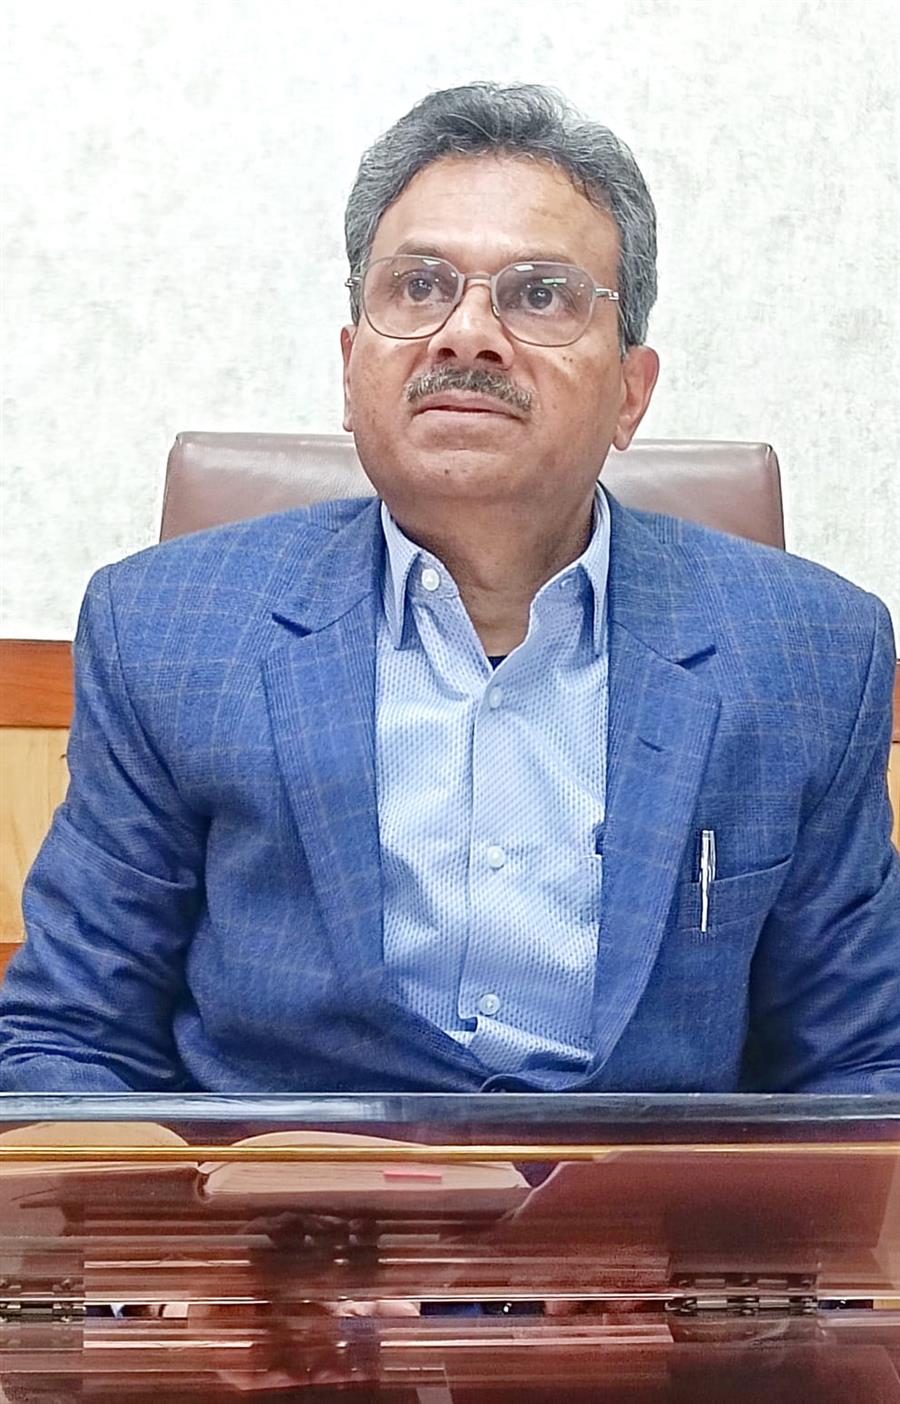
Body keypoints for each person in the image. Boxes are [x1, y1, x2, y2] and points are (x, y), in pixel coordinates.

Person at [1, 82, 898, 1094]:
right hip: (287, 1187)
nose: (466, 334)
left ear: (630, 393)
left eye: (540, 295)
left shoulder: (811, 653)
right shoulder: (165, 632)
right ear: (352, 371)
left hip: (642, 1193)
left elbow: (861, 1062)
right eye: (419, 286)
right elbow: (71, 1042)